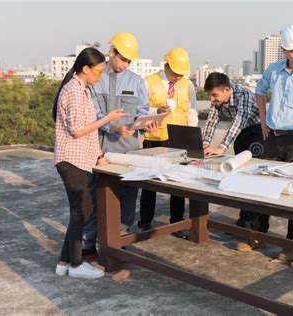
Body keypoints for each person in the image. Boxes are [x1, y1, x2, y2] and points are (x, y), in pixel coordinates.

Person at [236, 25, 293, 267]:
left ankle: (292, 246)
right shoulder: (273, 71)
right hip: (272, 138)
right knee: (262, 186)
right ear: (284, 50)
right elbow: (259, 92)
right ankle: (257, 235)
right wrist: (263, 121)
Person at [52, 47, 129, 278]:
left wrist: (98, 156)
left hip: (82, 160)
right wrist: (107, 118)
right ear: (85, 68)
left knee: (81, 211)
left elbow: (90, 134)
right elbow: (77, 130)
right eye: (97, 72)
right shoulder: (74, 90)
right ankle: (76, 266)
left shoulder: (84, 90)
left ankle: (64, 262)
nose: (99, 76)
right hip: (71, 159)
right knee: (81, 212)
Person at [82, 32, 157, 259]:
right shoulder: (96, 79)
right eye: (123, 59)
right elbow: (91, 113)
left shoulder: (137, 82)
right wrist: (112, 127)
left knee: (127, 198)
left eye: (129, 61)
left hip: (128, 150)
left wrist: (147, 124)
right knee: (94, 198)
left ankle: (120, 241)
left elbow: (142, 113)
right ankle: (88, 244)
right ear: (111, 53)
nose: (126, 65)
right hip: (99, 149)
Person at [137, 47, 197, 239]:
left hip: (179, 140)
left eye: (181, 74)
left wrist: (193, 139)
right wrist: (156, 109)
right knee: (149, 183)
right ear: (166, 66)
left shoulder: (188, 85)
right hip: (154, 139)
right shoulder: (149, 82)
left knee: (177, 183)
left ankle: (177, 223)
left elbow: (192, 112)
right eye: (175, 73)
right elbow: (141, 109)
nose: (177, 77)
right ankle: (145, 222)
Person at [202, 72, 263, 227]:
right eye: (209, 95)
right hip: (242, 133)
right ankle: (244, 217)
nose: (212, 99)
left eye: (214, 95)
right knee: (239, 173)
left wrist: (221, 147)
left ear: (226, 90)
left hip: (258, 131)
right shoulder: (217, 101)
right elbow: (211, 121)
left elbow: (238, 121)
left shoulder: (244, 95)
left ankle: (257, 223)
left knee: (255, 175)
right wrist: (205, 143)